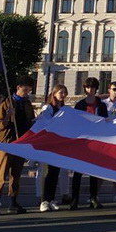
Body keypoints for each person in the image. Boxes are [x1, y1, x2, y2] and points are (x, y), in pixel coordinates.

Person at [0, 80, 36, 216]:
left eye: (28, 91)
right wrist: (9, 115)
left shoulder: (27, 104)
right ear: (18, 88)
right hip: (7, 143)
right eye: (25, 90)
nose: (27, 93)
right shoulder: (6, 103)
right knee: (1, 173)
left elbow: (30, 122)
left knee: (16, 174)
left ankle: (13, 201)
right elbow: (0, 126)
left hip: (21, 142)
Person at [70, 78, 108, 209]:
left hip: (95, 140)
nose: (90, 90)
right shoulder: (80, 105)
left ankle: (93, 197)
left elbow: (104, 121)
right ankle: (74, 199)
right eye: (87, 87)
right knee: (78, 172)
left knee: (93, 171)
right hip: (82, 141)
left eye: (92, 88)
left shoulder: (101, 105)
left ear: (96, 89)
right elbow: (74, 122)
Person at [39, 84, 68, 212]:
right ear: (54, 93)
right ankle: (44, 200)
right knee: (47, 172)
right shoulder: (48, 107)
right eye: (60, 92)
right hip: (49, 144)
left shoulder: (65, 109)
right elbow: (45, 122)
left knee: (55, 172)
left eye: (64, 93)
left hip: (59, 144)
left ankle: (51, 199)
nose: (62, 95)